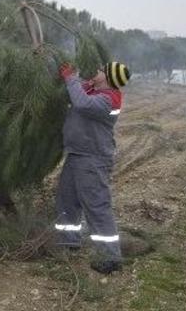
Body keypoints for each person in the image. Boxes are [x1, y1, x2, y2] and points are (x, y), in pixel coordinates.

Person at [55, 61, 131, 274]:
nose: (95, 72)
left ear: (107, 78)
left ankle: (110, 257)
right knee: (66, 200)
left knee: (97, 206)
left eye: (100, 71)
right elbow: (79, 90)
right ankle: (68, 242)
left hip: (93, 159)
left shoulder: (108, 100)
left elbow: (81, 103)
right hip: (77, 155)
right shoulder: (94, 91)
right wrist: (73, 77)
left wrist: (70, 78)